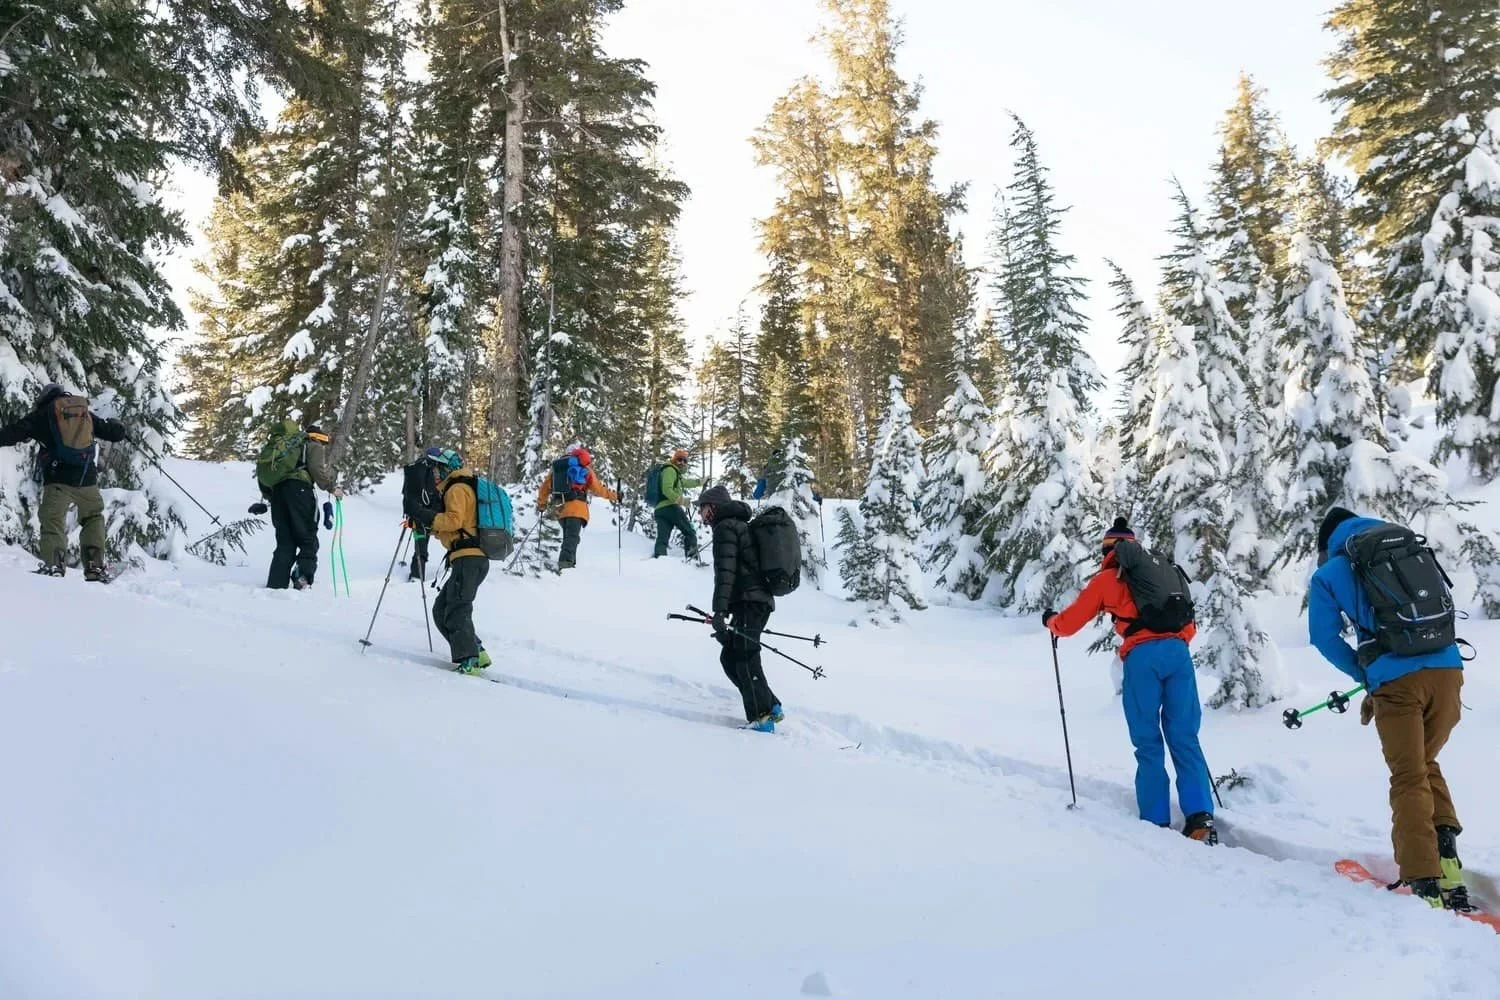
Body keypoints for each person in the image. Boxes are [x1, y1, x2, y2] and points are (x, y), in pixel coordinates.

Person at [1308, 507, 1470, 911]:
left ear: (1328, 542)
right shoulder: (1406, 547)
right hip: (1449, 671)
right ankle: (1448, 866)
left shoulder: (1330, 572)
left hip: (1397, 683)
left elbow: (1323, 638)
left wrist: (1368, 677)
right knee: (1424, 761)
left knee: (1408, 776)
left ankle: (1424, 883)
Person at [1043, 518, 1216, 843]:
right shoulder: (1167, 572)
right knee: (1184, 735)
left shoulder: (1109, 578)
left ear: (1109, 550)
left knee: (1148, 740)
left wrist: (1051, 621)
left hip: (1142, 659)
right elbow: (1189, 624)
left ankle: (1155, 822)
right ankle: (1201, 820)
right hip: (1179, 654)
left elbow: (1068, 623)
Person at [0, 383, 126, 580]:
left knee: (52, 521)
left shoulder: (42, 415)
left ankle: (54, 565)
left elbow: (13, 433)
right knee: (92, 517)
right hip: (87, 480)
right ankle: (95, 566)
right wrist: (118, 426)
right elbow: (113, 433)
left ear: (43, 400)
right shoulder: (83, 414)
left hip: (57, 480)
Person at [697, 485, 782, 733]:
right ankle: (772, 706)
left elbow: (726, 573)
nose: (701, 516)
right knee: (732, 656)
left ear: (713, 507)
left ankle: (762, 717)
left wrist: (720, 612)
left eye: (702, 509)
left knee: (744, 658)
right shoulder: (735, 524)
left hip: (750, 602)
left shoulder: (726, 527)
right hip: (754, 602)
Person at [410, 448, 492, 674]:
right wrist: (430, 524)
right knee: (441, 610)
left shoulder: (457, 488)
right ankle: (477, 651)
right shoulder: (456, 488)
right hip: (466, 558)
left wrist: (428, 516)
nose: (434, 473)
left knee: (457, 609)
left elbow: (454, 521)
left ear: (446, 468)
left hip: (470, 558)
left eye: (436, 468)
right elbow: (454, 529)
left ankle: (470, 661)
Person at [258, 419, 339, 590]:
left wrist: (270, 496)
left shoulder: (280, 449)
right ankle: (301, 580)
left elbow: (264, 479)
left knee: (285, 542)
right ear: (319, 437)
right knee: (307, 538)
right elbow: (317, 470)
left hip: (278, 495)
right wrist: (332, 488)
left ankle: (276, 586)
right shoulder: (312, 444)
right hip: (300, 493)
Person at [535, 445, 617, 570]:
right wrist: (615, 496)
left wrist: (541, 505)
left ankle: (569, 563)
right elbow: (599, 490)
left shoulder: (557, 469)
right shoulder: (584, 468)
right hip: (577, 508)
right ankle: (566, 564)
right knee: (572, 538)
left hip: (561, 510)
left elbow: (544, 489)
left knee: (569, 537)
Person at [402, 447, 445, 582]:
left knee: (420, 543)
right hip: (433, 515)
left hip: (416, 515)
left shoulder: (415, 469)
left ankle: (416, 574)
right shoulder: (436, 470)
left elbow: (406, 491)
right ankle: (417, 575)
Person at [653, 449, 701, 559]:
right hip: (671, 507)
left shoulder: (675, 473)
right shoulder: (670, 470)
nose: (682, 463)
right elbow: (666, 489)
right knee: (690, 532)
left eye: (685, 461)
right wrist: (682, 501)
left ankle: (659, 560)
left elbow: (687, 483)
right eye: (680, 460)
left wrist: (701, 481)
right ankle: (692, 559)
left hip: (660, 510)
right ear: (674, 459)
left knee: (662, 539)